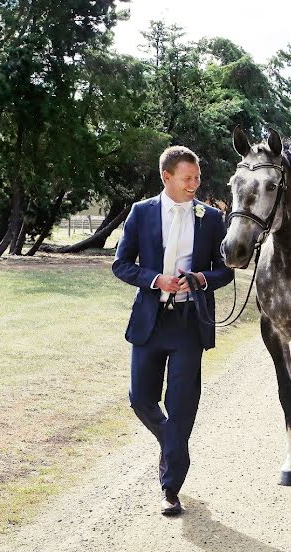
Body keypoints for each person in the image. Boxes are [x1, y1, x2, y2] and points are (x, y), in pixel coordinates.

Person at [113, 146, 234, 516]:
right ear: (166, 177)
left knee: (182, 405)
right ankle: (173, 444)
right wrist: (155, 280)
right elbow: (121, 265)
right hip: (150, 321)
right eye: (188, 178)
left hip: (188, 323)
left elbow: (225, 270)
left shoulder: (211, 218)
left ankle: (170, 489)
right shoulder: (141, 212)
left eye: (197, 177)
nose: (195, 184)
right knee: (140, 398)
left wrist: (199, 278)